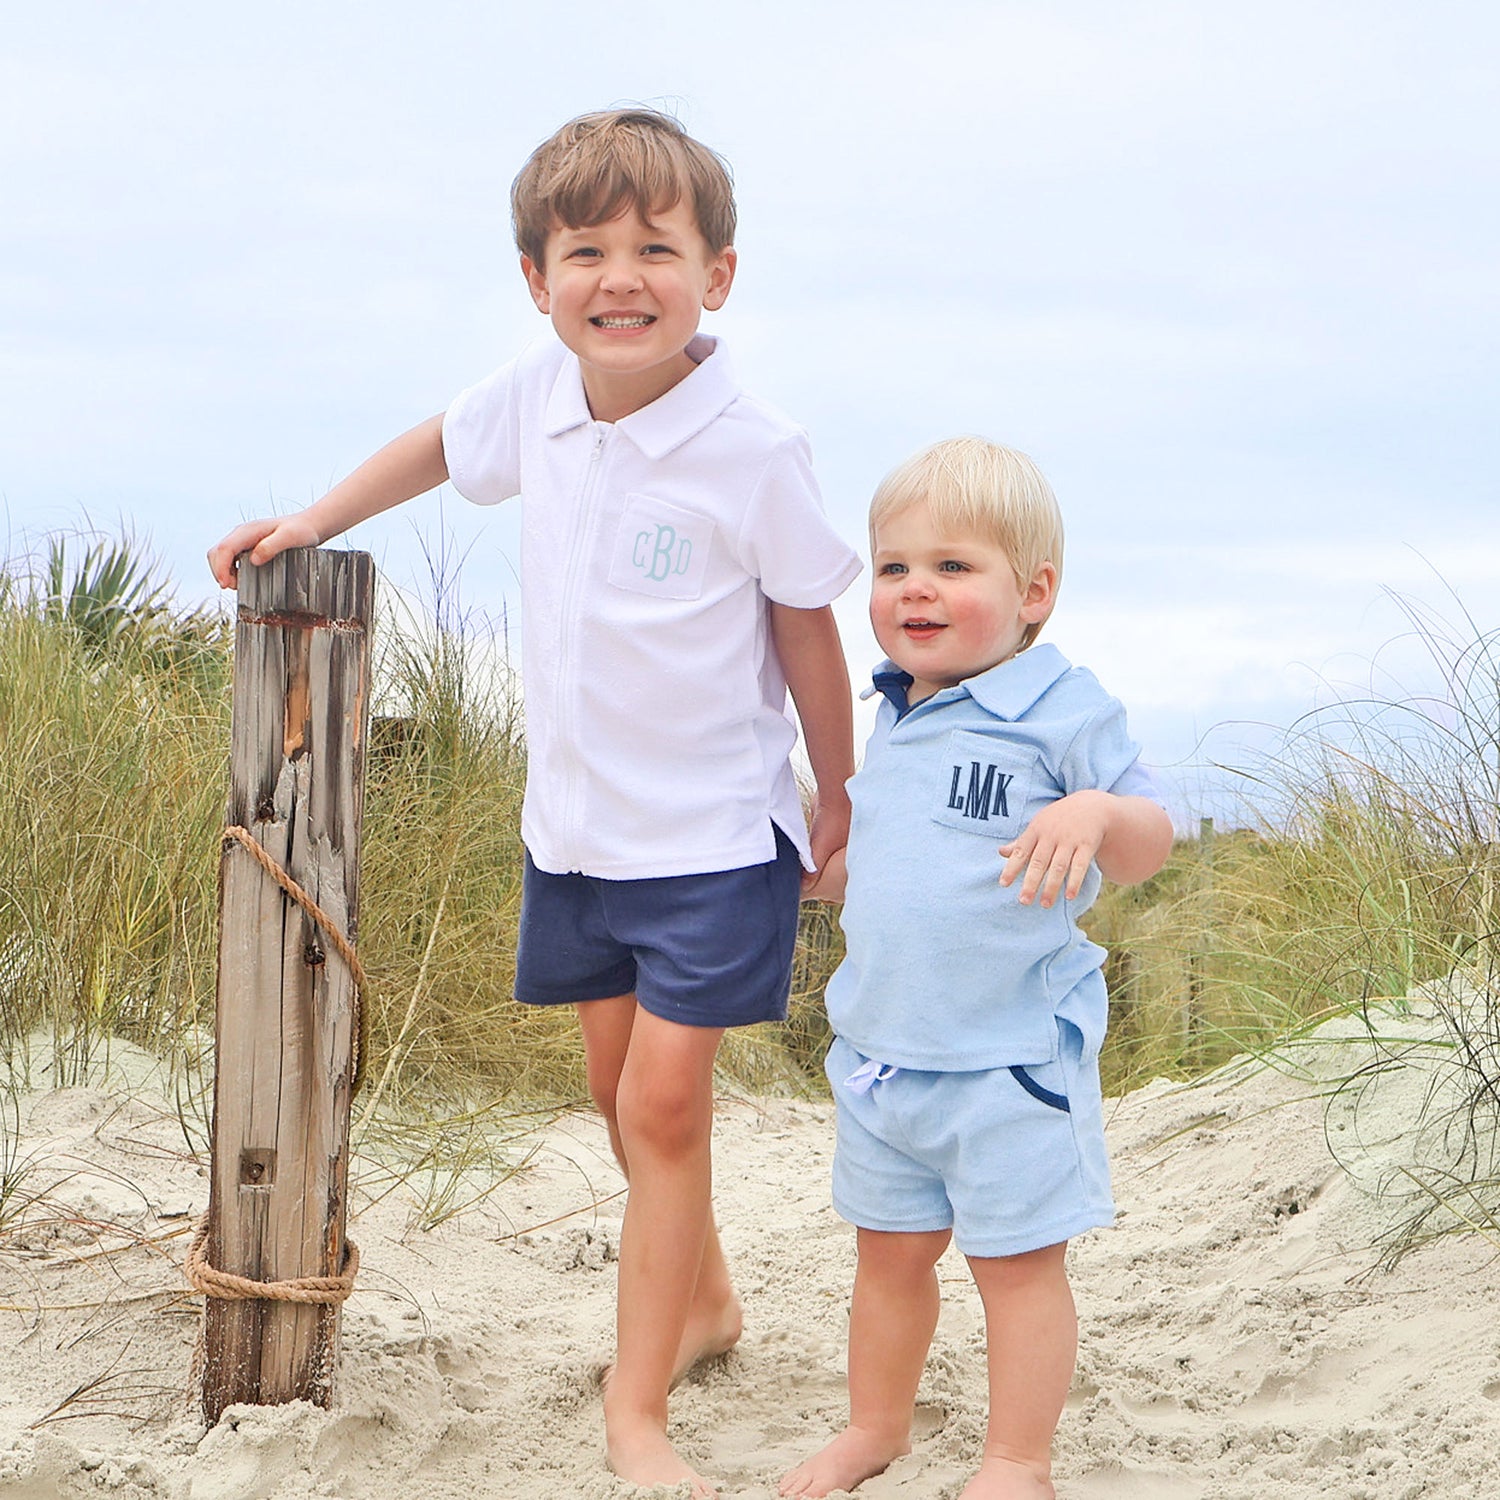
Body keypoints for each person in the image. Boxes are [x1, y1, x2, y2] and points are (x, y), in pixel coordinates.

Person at [209, 108, 861, 1499]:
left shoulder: (754, 447)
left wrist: (841, 792)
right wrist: (313, 521)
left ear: (717, 275)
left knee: (667, 1108)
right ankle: (703, 1302)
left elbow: (809, 624)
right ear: (536, 278)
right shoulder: (538, 398)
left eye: (657, 249)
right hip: (573, 837)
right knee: (616, 1096)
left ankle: (639, 1410)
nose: (621, 278)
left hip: (713, 838)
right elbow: (440, 446)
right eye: (586, 252)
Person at [781, 437, 1173, 1500]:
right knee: (888, 1257)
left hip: (1010, 1058)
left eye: (953, 566)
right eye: (895, 566)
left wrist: (1096, 812)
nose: (916, 588)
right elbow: (889, 869)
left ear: (1033, 592)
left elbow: (1150, 841)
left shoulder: (1062, 707)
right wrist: (812, 874)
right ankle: (876, 1428)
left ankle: (1016, 1462)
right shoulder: (897, 712)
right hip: (883, 1057)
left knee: (1015, 1267)